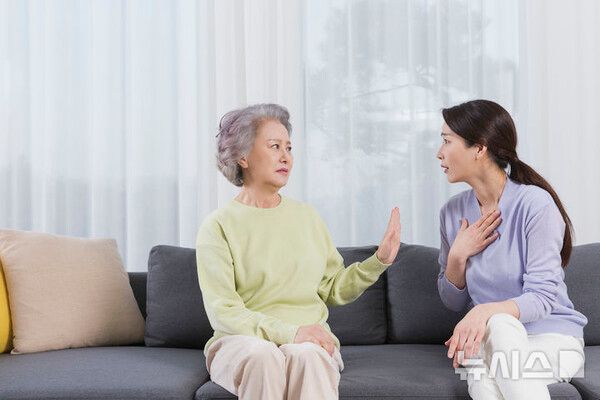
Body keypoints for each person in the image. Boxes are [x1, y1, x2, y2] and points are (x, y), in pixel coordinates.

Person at [196, 103, 401, 400]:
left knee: (308, 355)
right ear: (243, 156)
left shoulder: (307, 217)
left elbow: (332, 288)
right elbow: (223, 311)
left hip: (308, 340)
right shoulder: (218, 226)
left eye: (289, 148)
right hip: (241, 342)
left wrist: (378, 261)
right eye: (274, 146)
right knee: (263, 356)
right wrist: (289, 333)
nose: (286, 157)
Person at [436, 99, 587, 400]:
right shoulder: (452, 213)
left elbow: (542, 298)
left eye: (447, 141)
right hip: (488, 343)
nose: (439, 153)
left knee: (497, 334)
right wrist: (457, 256)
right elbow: (453, 302)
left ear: (479, 148)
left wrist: (484, 312)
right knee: (483, 365)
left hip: (551, 340)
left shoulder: (534, 205)